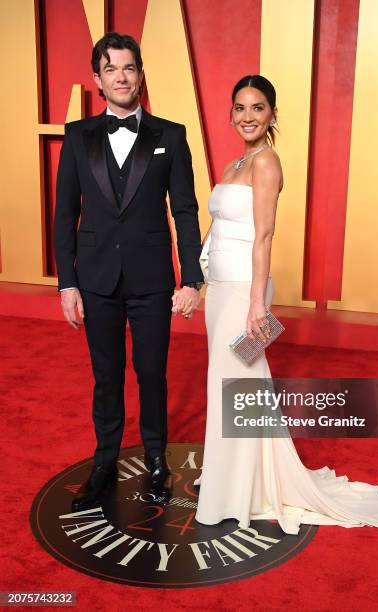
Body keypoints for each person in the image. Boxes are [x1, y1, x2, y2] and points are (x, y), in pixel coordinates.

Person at [192, 75, 378, 534]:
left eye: (258, 108)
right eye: (240, 108)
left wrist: (255, 304)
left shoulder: (266, 162)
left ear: (273, 115)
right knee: (233, 384)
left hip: (245, 291)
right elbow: (218, 230)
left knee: (235, 384)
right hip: (221, 289)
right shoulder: (233, 164)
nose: (247, 116)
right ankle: (237, 482)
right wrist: (195, 281)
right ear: (231, 113)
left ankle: (237, 491)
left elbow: (264, 235)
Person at [54, 32, 204, 512]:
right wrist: (67, 282)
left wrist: (192, 278)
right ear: (98, 79)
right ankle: (104, 464)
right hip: (95, 277)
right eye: (111, 68)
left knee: (151, 370)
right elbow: (64, 214)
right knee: (106, 374)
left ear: (141, 75)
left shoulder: (171, 134)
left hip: (153, 278)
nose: (121, 77)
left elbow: (184, 209)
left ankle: (157, 458)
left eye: (129, 67)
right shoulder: (77, 136)